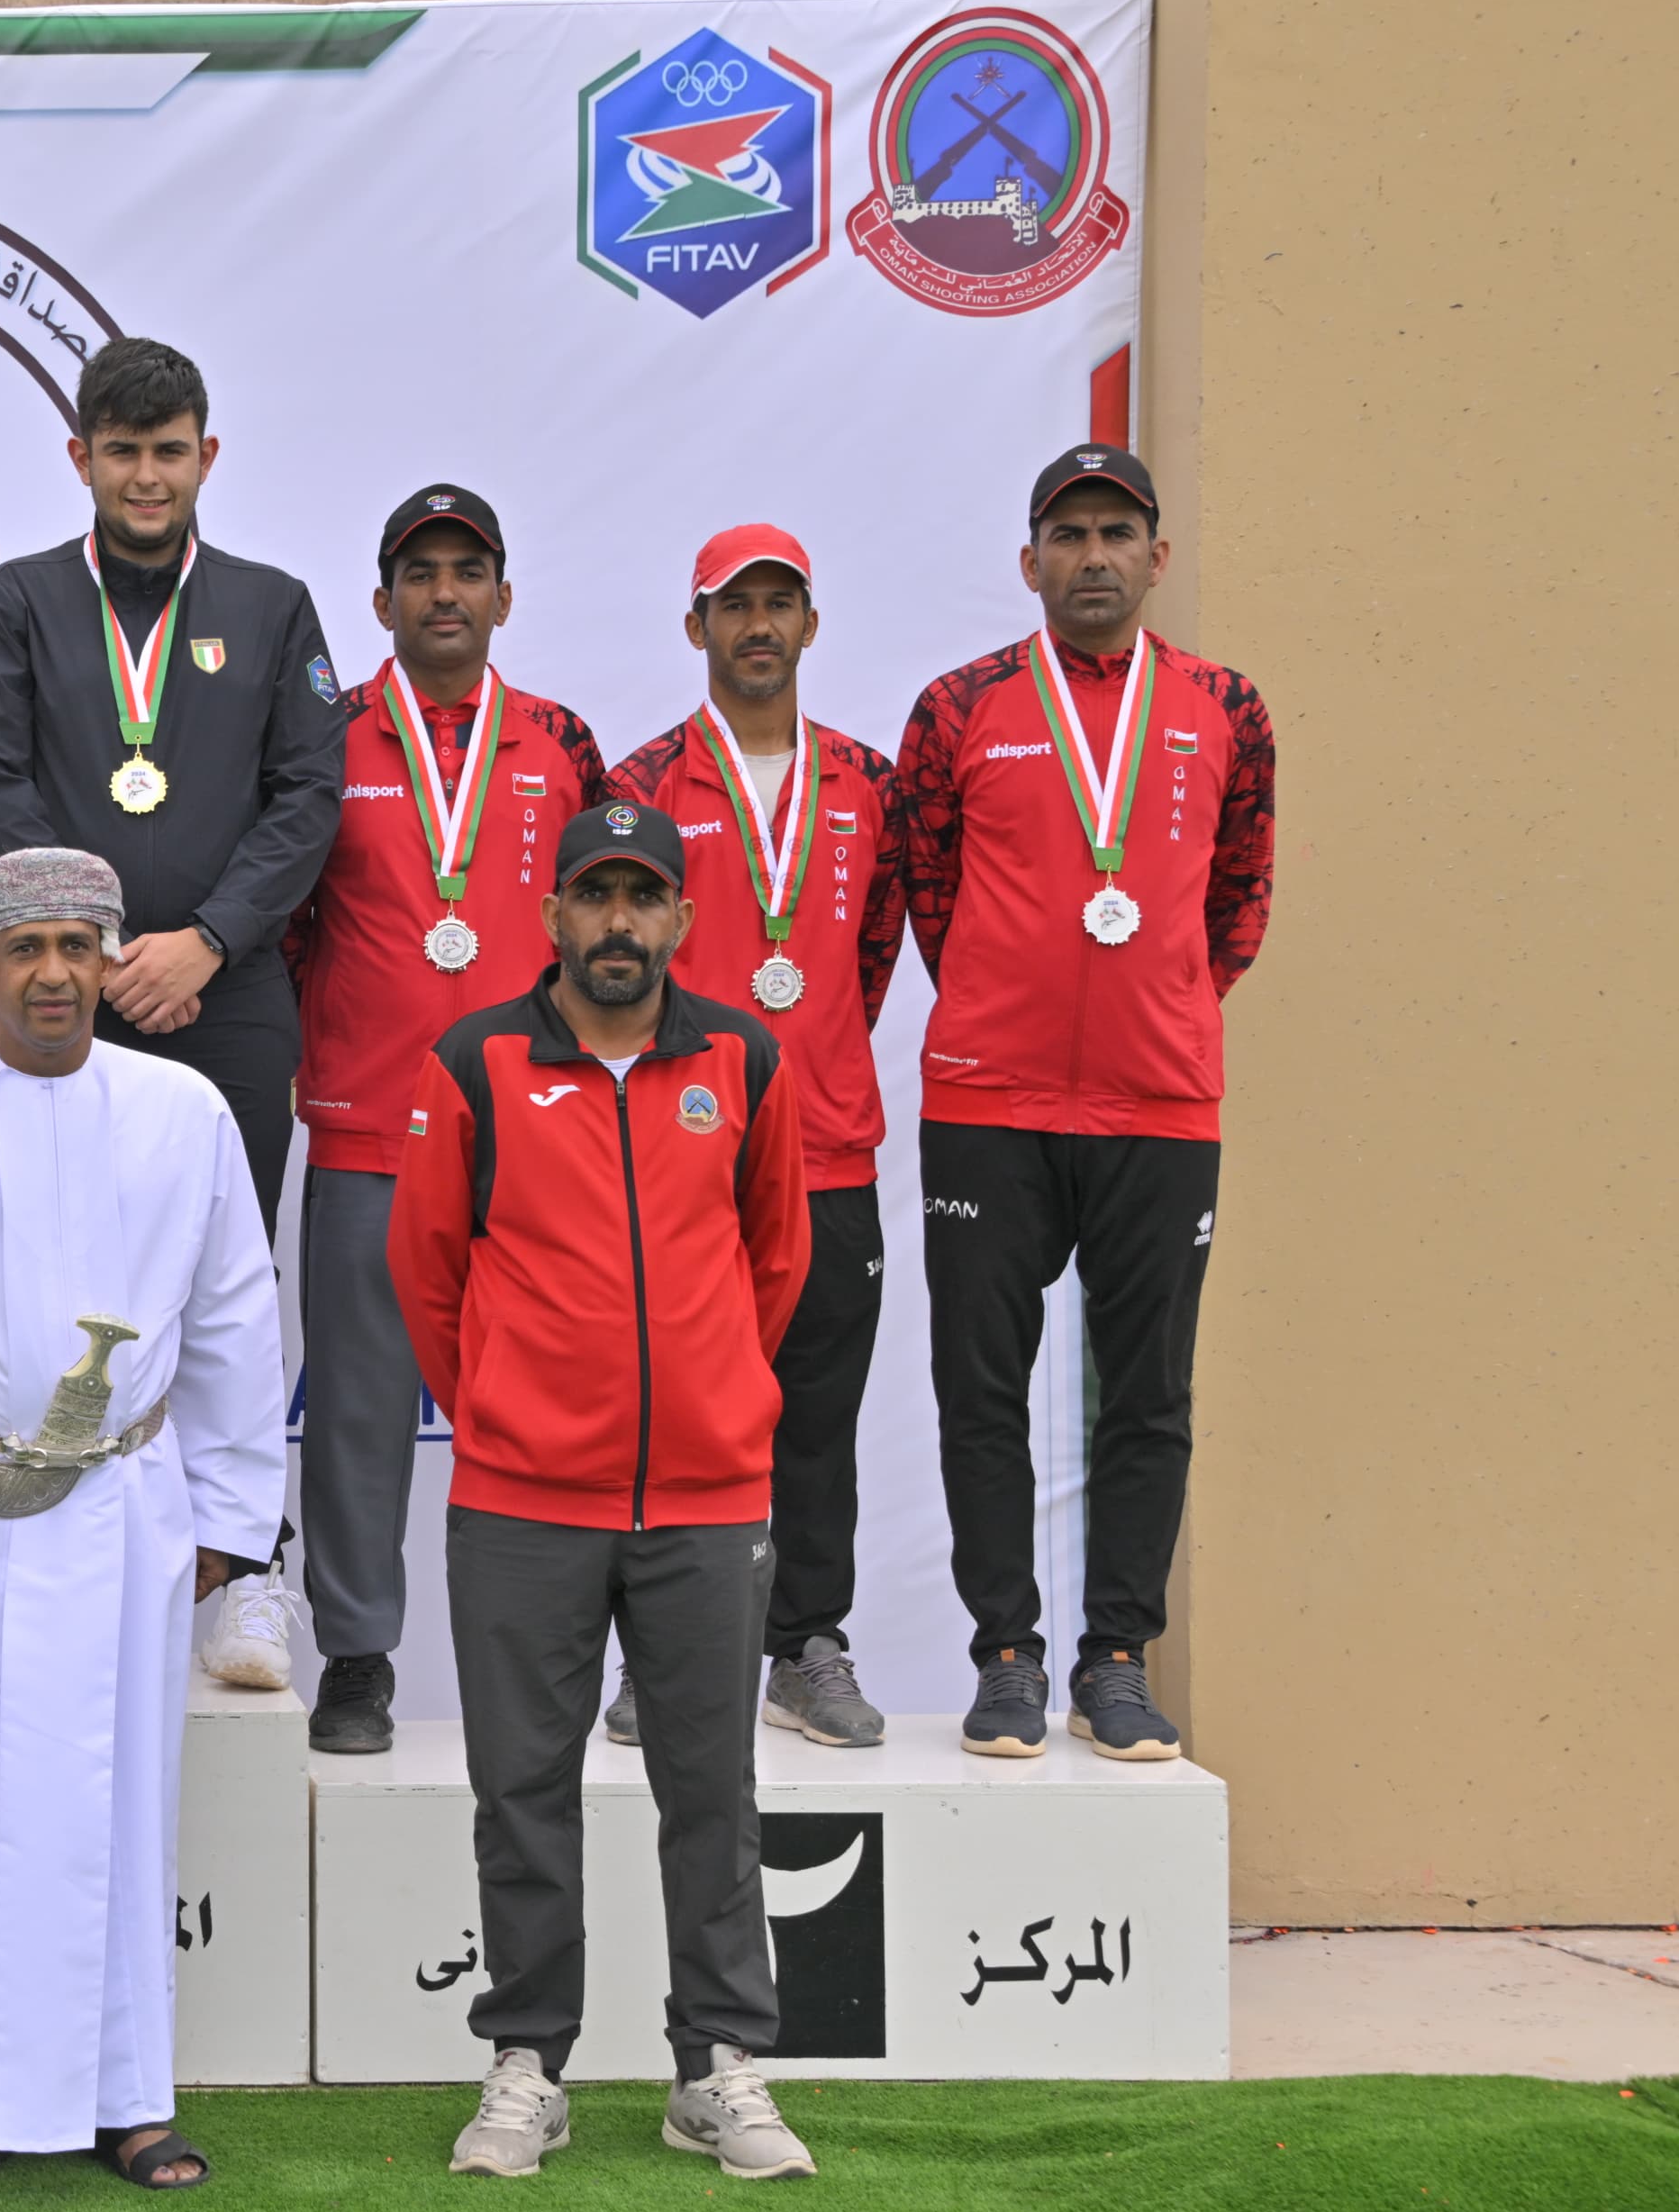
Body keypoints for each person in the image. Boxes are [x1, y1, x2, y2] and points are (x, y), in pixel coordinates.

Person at [0, 848, 286, 2197]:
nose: (51, 975)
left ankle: (128, 2095)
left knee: (121, 1801)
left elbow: (236, 1318)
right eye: (22, 949)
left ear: (109, 962)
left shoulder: (182, 1111)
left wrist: (231, 1515)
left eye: (77, 947)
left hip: (132, 1503)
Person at [391, 800, 819, 2182]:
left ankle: (718, 2067)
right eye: (595, 896)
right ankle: (529, 2063)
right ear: (554, 914)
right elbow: (427, 1268)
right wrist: (509, 1412)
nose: (618, 923)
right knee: (522, 1791)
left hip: (706, 1500)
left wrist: (710, 1397)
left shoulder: (745, 1058)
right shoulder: (477, 1060)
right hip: (523, 1504)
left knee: (714, 1792)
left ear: (683, 918)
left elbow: (775, 1258)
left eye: (643, 898)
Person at [0, 333, 340, 1694]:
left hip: (230, 997)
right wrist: (96, 945)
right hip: (65, 999)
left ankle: (249, 1565)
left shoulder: (273, 608)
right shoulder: (16, 605)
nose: (148, 476)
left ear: (206, 456)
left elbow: (306, 800)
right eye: (123, 452)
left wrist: (209, 941)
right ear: (82, 459)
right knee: (47, 1272)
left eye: (170, 452)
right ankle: (52, 1530)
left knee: (228, 1288)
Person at [891, 446, 1275, 1762]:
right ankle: (1005, 1656)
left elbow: (1238, 896)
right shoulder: (959, 708)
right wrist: (1008, 997)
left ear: (1157, 557)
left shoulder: (1227, 708)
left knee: (1148, 1396)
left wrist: (1159, 1001)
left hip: (1158, 1106)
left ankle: (1116, 1658)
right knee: (980, 1389)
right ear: (1030, 561)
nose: (1093, 556)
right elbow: (932, 893)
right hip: (988, 1106)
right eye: (1069, 535)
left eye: (1117, 533)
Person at [286, 485, 606, 1755]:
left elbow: (605, 926)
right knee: (357, 1409)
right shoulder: (324, 734)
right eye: (420, 574)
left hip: (531, 1128)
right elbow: (291, 918)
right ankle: (356, 1657)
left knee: (542, 1402)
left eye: (468, 572)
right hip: (371, 1124)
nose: (445, 594)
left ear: (504, 597)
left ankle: (542, 1652)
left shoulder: (561, 740)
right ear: (382, 601)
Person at [604, 527, 904, 1754]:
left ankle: (805, 1646)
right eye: (736, 607)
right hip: (683, 1153)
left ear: (811, 625)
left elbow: (869, 957)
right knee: (673, 1410)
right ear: (698, 628)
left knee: (816, 1417)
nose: (760, 625)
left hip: (827, 1153)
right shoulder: (642, 781)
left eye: (781, 604)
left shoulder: (870, 783)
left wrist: (809, 1063)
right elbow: (618, 963)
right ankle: (660, 1656)